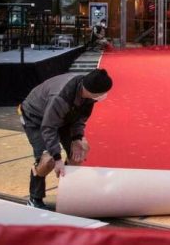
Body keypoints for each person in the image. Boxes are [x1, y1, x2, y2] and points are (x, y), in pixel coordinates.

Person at [18, 68, 113, 210]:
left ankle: (67, 193)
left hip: (63, 118)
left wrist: (77, 138)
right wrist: (57, 159)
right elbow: (48, 127)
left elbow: (80, 118)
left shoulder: (89, 95)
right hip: (36, 119)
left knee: (79, 152)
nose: (103, 96)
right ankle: (34, 198)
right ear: (90, 91)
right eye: (101, 94)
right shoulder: (61, 96)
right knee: (47, 160)